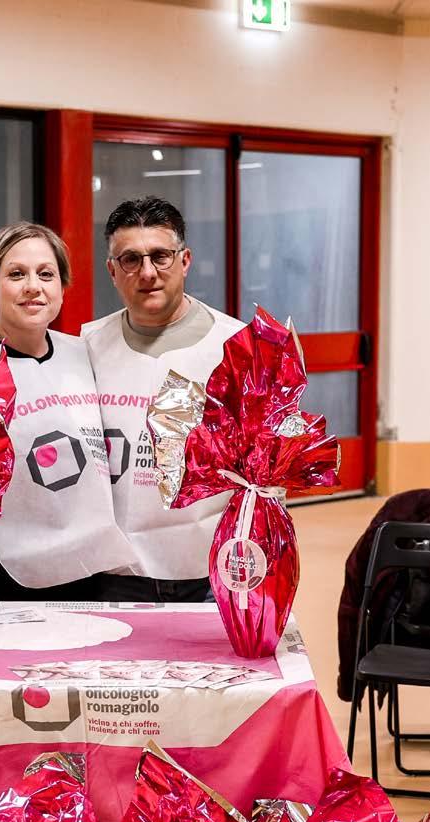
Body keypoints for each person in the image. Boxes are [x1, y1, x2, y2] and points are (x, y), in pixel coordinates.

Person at [0, 222, 137, 606]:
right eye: (16, 274)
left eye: (46, 274)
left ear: (62, 287)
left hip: (85, 569)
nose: (33, 286)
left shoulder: (81, 353)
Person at [82, 196, 245, 602]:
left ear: (185, 261)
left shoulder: (235, 346)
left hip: (211, 569)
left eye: (160, 256)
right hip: (117, 571)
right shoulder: (86, 346)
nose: (147, 272)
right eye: (131, 260)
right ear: (112, 271)